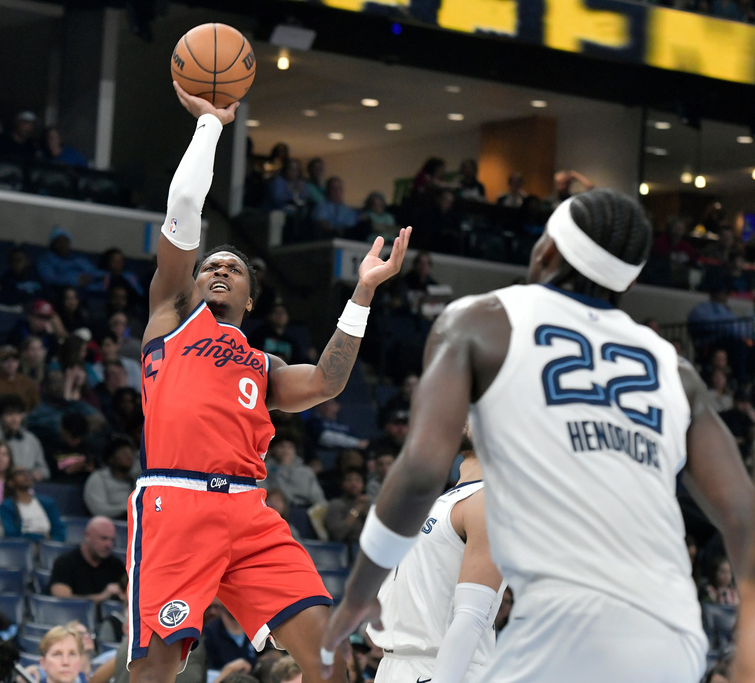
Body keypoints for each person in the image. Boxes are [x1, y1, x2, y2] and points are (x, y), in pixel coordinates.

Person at [320, 189, 755, 682]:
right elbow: (743, 517)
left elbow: (419, 472)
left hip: (562, 629)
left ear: (545, 249)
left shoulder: (483, 320)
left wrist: (358, 594)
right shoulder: (674, 368)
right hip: (671, 635)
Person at [126, 83, 409, 683]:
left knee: (331, 658)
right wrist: (209, 127)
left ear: (252, 300)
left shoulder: (263, 364)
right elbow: (183, 204)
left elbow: (329, 381)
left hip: (251, 512)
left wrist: (361, 293)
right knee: (156, 666)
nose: (220, 269)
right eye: (210, 266)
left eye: (233, 268)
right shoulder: (170, 316)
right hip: (177, 501)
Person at [364, 428, 505, 682]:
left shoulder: (489, 503)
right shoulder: (447, 499)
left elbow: (472, 615)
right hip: (395, 664)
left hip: (443, 668)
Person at [49, 515, 126, 602]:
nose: (108, 545)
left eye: (112, 540)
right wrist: (101, 597)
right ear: (87, 536)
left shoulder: (116, 565)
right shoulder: (65, 562)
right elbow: (63, 601)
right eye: (103, 538)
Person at [0, 466, 66, 541]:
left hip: (49, 549)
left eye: (28, 473)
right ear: (10, 482)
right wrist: (42, 538)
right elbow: (11, 535)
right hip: (21, 549)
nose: (26, 475)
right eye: (20, 473)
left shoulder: (48, 503)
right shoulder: (6, 506)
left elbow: (60, 532)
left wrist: (48, 544)